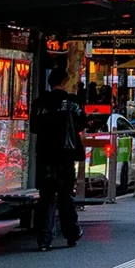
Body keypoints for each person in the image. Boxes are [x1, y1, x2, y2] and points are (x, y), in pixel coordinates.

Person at [34, 65, 86, 249]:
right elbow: (82, 124)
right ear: (64, 82)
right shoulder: (73, 102)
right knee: (65, 197)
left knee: (46, 197)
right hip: (65, 156)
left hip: (45, 156)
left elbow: (34, 127)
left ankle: (44, 239)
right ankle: (71, 233)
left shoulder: (39, 103)